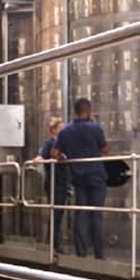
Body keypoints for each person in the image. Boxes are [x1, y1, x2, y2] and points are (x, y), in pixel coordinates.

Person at [53, 98, 109, 259]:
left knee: (81, 214)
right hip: (96, 176)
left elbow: (54, 154)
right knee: (96, 214)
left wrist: (65, 157)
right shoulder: (95, 128)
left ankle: (81, 252)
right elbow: (105, 150)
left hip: (78, 176)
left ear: (76, 111)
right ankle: (99, 254)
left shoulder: (66, 131)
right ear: (89, 111)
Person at [33, 116, 68, 252]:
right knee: (56, 213)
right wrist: (38, 159)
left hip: (63, 181)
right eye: (60, 128)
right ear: (53, 130)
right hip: (54, 182)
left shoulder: (65, 144)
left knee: (59, 212)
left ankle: (55, 241)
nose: (63, 131)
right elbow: (41, 155)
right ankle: (55, 243)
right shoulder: (50, 144)